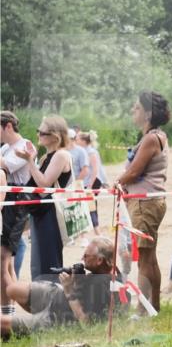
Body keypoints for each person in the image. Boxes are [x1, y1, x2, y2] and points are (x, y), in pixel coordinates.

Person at [1, 236, 119, 338]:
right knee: (12, 289)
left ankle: (34, 324)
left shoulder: (103, 288)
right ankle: (35, 317)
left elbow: (86, 324)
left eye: (86, 255)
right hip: (58, 296)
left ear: (99, 260)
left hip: (59, 316)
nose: (82, 258)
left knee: (2, 324)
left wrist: (69, 291)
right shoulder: (108, 272)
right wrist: (75, 282)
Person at [116, 92, 170, 312]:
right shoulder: (157, 135)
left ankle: (143, 308)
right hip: (148, 201)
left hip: (143, 203)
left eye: (136, 108)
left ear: (148, 113)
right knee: (150, 257)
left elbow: (135, 171)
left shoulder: (150, 139)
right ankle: (153, 306)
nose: (132, 111)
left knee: (144, 261)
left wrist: (117, 181)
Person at [21, 116, 74, 283]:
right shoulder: (48, 156)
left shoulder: (61, 155)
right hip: (43, 212)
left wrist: (30, 161)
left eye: (42, 132)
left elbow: (44, 184)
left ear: (55, 135)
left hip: (51, 214)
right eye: (39, 131)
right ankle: (43, 300)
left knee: (48, 259)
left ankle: (51, 302)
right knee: (39, 259)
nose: (39, 135)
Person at [1, 112, 33, 319]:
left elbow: (7, 166)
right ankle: (10, 312)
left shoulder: (25, 145)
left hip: (18, 200)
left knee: (3, 259)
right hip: (8, 200)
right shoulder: (5, 148)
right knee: (8, 262)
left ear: (8, 126)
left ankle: (12, 314)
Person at [75, 130, 106, 229]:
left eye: (78, 139)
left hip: (94, 180)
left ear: (84, 141)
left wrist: (90, 185)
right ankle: (91, 225)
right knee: (87, 204)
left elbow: (96, 169)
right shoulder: (83, 151)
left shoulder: (91, 152)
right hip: (88, 180)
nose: (76, 141)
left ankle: (95, 226)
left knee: (91, 204)